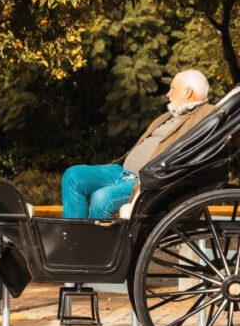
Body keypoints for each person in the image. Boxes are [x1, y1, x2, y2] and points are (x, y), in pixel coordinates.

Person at [62, 70, 216, 219]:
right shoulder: (171, 116)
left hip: (145, 184)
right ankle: (70, 242)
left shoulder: (205, 115)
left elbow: (219, 119)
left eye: (173, 89)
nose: (168, 94)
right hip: (122, 172)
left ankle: (92, 244)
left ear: (188, 92)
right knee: (73, 176)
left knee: (102, 198)